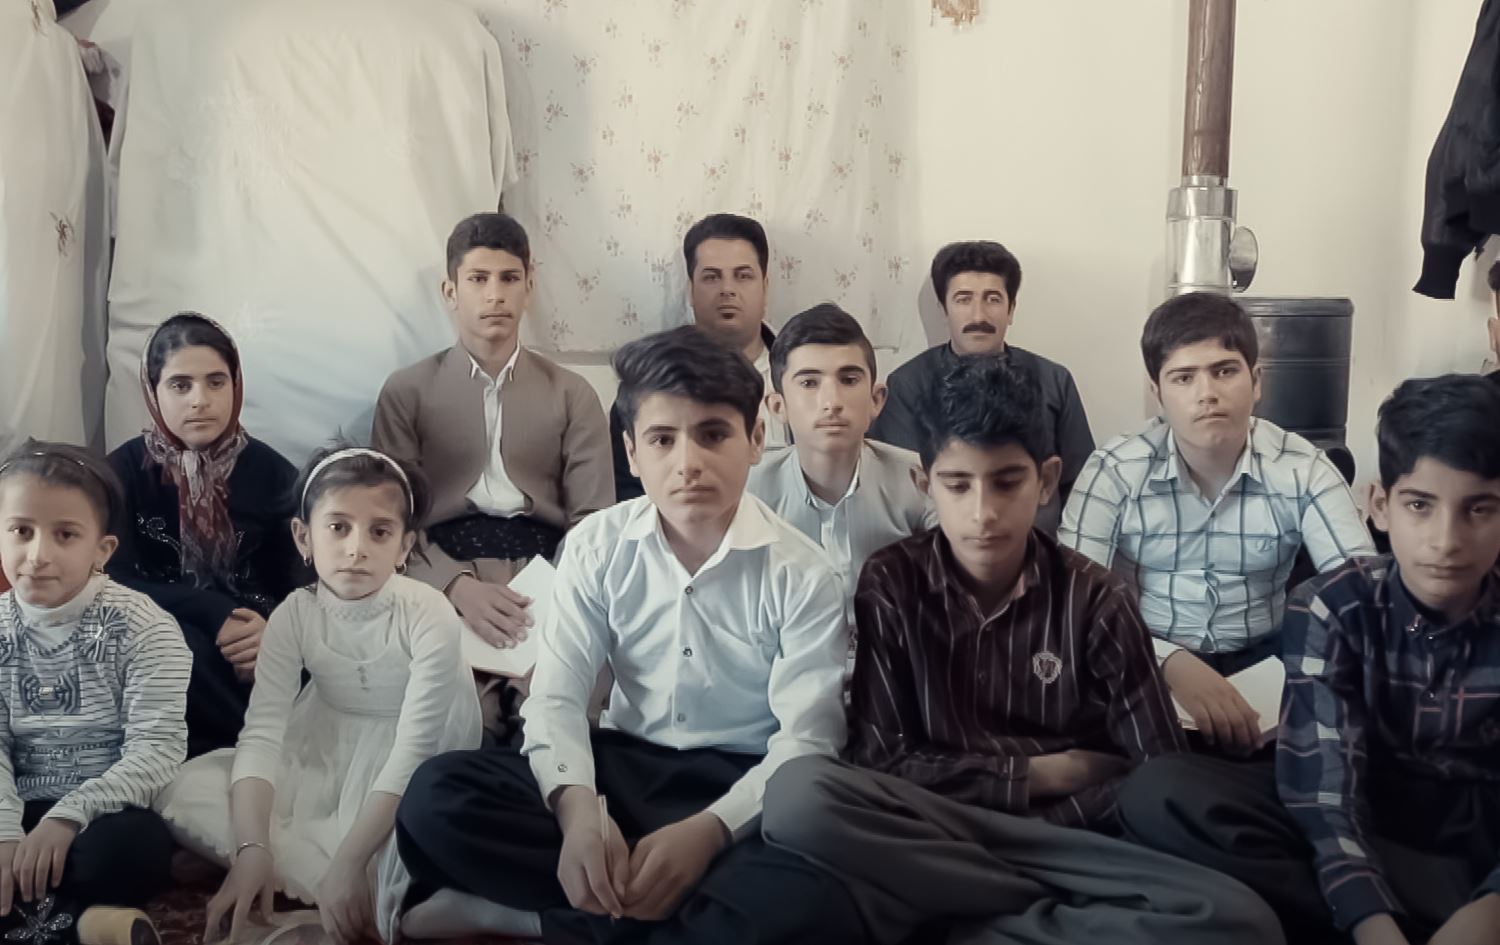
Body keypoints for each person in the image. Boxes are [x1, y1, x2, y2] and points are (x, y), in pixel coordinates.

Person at [761, 358, 1279, 945]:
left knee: (1244, 921)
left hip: (1068, 840)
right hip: (933, 827)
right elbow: (881, 760)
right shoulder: (892, 581)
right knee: (797, 799)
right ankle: (1040, 917)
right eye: (958, 485)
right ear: (925, 484)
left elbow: (1154, 772)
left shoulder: (1096, 597)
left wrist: (1051, 822)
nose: (983, 513)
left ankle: (962, 916)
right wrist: (1039, 774)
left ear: (1047, 480)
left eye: (1007, 482)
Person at [394, 327, 860, 945]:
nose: (688, 463)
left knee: (819, 898)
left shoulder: (803, 574)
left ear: (755, 439)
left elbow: (807, 741)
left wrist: (710, 832)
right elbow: (556, 700)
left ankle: (530, 921)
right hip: (622, 768)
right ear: (632, 454)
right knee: (435, 800)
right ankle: (652, 902)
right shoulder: (597, 546)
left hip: (741, 783)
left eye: (713, 435)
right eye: (662, 439)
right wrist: (578, 812)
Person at [1118, 374, 1500, 945]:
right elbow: (1326, 798)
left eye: (1479, 509)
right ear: (1380, 506)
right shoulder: (1332, 604)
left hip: (1479, 836)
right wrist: (1372, 924)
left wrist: (1491, 908)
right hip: (1366, 810)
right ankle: (1399, 909)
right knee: (1160, 792)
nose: (1446, 541)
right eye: (1420, 505)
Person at [156, 446, 482, 945]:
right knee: (185, 789)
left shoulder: (427, 612)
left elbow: (414, 750)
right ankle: (267, 862)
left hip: (408, 765)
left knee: (393, 881)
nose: (356, 549)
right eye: (338, 527)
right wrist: (252, 847)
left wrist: (350, 862)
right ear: (303, 537)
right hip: (321, 747)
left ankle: (338, 875)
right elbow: (262, 734)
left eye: (379, 532)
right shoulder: (294, 614)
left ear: (404, 546)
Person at [1060, 291, 1375, 755]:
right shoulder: (1114, 470)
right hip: (1145, 655)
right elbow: (1071, 604)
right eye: (1183, 377)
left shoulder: (1303, 467)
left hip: (1267, 659)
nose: (1206, 393)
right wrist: (1169, 661)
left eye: (1224, 371)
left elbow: (1361, 595)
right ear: (1157, 394)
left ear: (1256, 381)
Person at [372, 212, 612, 658]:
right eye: (478, 279)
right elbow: (391, 514)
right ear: (450, 291)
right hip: (437, 572)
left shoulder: (573, 394)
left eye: (509, 278)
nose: (495, 295)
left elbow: (594, 520)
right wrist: (452, 585)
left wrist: (554, 591)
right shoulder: (407, 391)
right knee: (448, 692)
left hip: (551, 573)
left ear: (529, 286)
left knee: (559, 691)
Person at [0, 441, 190, 945]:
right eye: (21, 531)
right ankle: (89, 926)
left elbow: (157, 750)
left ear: (102, 550)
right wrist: (4, 831)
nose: (37, 556)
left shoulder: (146, 626)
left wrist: (68, 816)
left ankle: (29, 913)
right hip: (16, 799)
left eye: (65, 535)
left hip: (104, 811)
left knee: (129, 853)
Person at [107, 313, 307, 758]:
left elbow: (304, 579)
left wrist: (273, 634)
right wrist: (214, 612)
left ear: (236, 386)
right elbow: (112, 578)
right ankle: (257, 742)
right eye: (180, 385)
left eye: (216, 382)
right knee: (172, 647)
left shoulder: (274, 474)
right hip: (166, 632)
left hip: (258, 639)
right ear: (153, 391)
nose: (200, 400)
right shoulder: (121, 473)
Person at [869, 240, 1093, 535]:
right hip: (940, 548)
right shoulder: (908, 384)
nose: (978, 316)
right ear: (943, 310)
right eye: (963, 299)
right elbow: (903, 491)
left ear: (1011, 309)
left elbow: (1083, 489)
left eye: (993, 299)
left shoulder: (1053, 380)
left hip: (1038, 548)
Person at [748, 302, 935, 607]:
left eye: (848, 380)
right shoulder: (747, 494)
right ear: (778, 407)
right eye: (809, 383)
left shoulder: (923, 483)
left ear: (876, 400)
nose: (831, 402)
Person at [610, 213, 788, 501]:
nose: (727, 290)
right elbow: (632, 498)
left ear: (765, 287)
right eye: (711, 277)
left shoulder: (804, 376)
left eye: (743, 276)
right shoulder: (646, 386)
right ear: (691, 290)